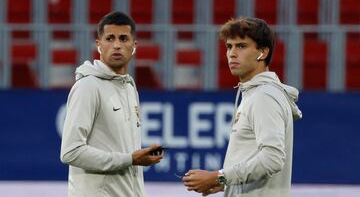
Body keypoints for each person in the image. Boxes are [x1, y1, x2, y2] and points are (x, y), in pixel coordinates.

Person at [182, 17, 302, 197]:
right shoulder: (256, 94)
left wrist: (218, 177)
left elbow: (272, 159)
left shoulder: (264, 97)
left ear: (262, 52)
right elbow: (254, 159)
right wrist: (227, 185)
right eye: (229, 46)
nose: (232, 53)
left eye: (241, 46)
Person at [60, 11, 164, 197]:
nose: (116, 45)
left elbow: (127, 157)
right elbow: (70, 151)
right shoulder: (87, 86)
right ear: (99, 45)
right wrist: (130, 159)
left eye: (123, 39)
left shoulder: (129, 88)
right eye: (110, 38)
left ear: (134, 46)